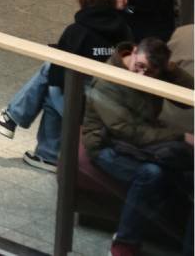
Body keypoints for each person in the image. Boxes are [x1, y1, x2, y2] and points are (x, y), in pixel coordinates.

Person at [0, 0, 131, 171]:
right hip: (115, 101)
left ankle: (41, 147)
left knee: (50, 83)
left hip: (86, 106)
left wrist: (54, 59)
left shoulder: (77, 31)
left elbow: (58, 78)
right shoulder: (125, 29)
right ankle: (15, 121)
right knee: (52, 75)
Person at [81, 37, 194, 256]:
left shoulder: (156, 72)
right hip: (106, 144)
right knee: (152, 174)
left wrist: (169, 69)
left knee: (185, 175)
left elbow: (188, 96)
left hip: (138, 140)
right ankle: (124, 243)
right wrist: (180, 137)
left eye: (149, 71)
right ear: (132, 53)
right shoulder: (107, 80)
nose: (141, 75)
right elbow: (125, 130)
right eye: (139, 66)